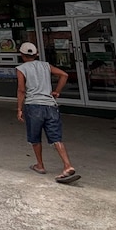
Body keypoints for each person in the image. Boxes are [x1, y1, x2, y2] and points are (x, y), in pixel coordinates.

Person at [16, 42, 80, 184]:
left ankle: (40, 165)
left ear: (21, 55)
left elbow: (21, 90)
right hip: (51, 106)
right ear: (36, 54)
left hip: (33, 106)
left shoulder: (21, 68)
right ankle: (67, 165)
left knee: (35, 137)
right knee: (56, 137)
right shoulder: (45, 65)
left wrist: (19, 108)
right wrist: (57, 91)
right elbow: (64, 75)